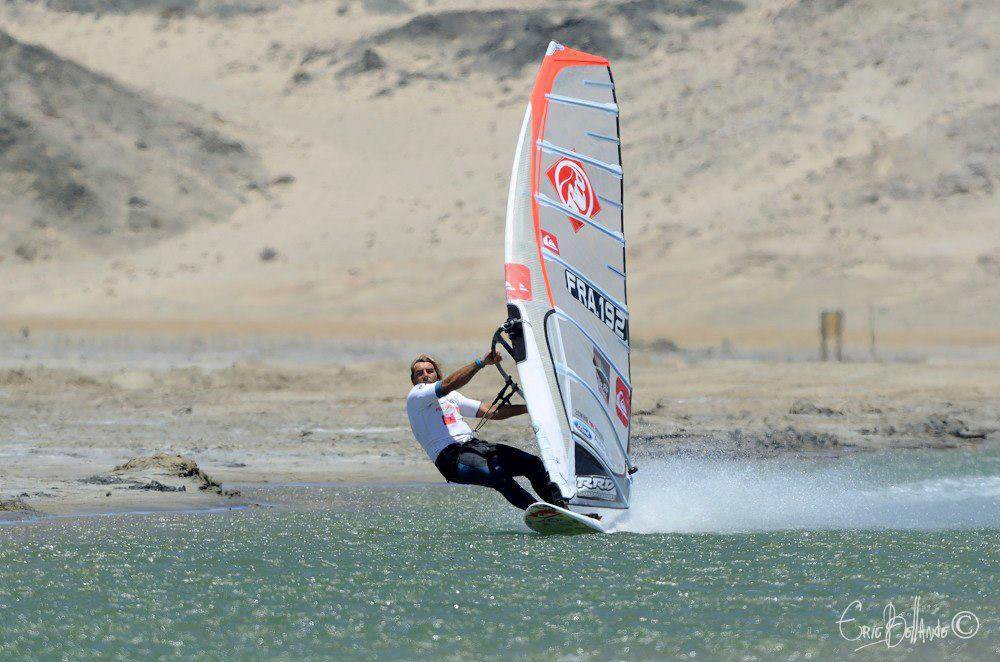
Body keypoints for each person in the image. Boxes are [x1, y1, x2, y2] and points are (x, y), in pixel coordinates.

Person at [406, 351, 566, 510]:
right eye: (420, 373)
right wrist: (480, 363)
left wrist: (529, 408)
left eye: (429, 371)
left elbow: (490, 411)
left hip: (475, 447)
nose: (425, 375)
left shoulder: (451, 397)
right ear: (414, 380)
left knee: (533, 464)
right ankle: (542, 513)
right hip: (451, 459)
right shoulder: (416, 396)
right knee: (498, 474)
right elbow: (447, 385)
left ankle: (561, 508)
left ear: (436, 374)